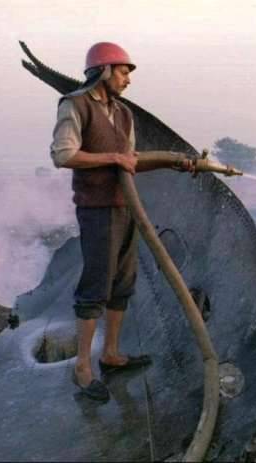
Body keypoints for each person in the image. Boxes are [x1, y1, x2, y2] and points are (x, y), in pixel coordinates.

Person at [50, 42, 190, 401]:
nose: (128, 80)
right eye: (124, 71)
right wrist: (112, 156)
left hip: (126, 207)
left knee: (123, 282)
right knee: (96, 285)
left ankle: (110, 353)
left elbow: (129, 162)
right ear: (104, 70)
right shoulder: (75, 105)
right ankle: (83, 367)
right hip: (97, 209)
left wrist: (174, 161)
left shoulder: (124, 114)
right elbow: (63, 154)